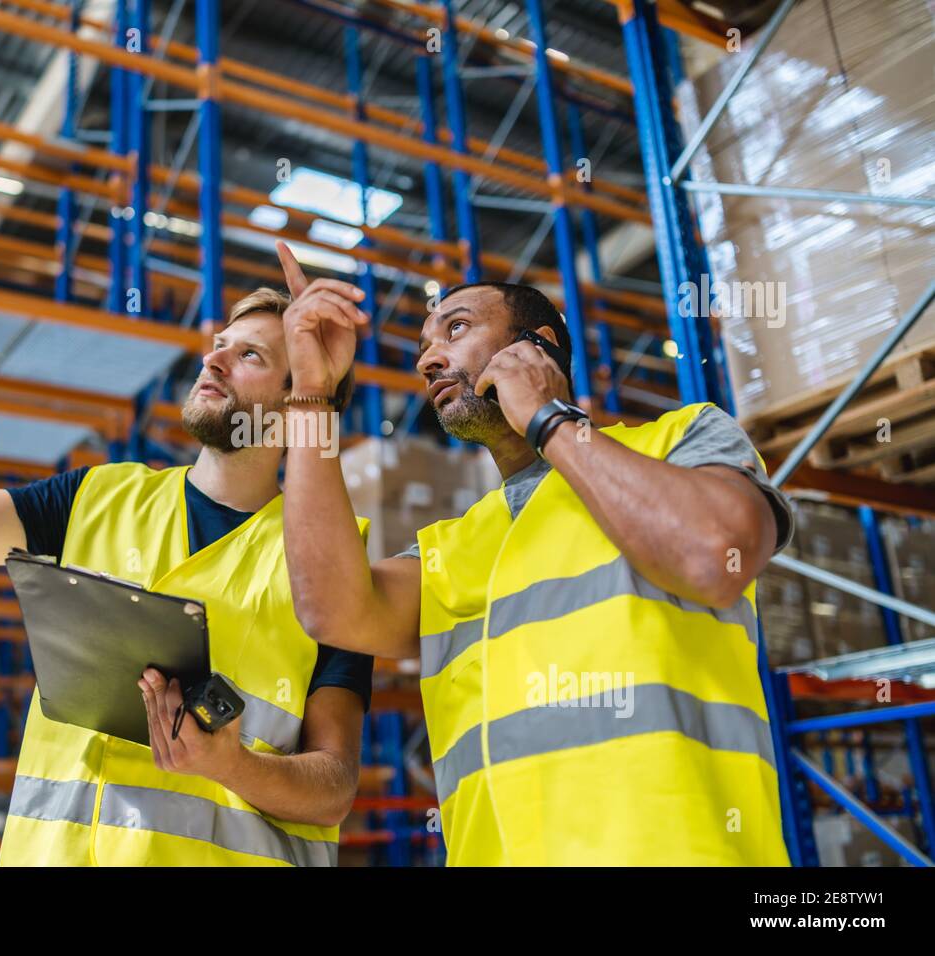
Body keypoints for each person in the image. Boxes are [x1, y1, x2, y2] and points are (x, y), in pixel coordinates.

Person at [0, 208, 374, 866]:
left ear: (298, 396)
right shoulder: (96, 498)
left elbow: (333, 789)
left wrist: (232, 765)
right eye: (219, 341)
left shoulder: (329, 562)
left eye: (248, 355)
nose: (214, 357)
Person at [274, 240, 793, 866]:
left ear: (538, 344)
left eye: (456, 328)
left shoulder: (680, 440)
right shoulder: (453, 546)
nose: (431, 359)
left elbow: (715, 556)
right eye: (422, 352)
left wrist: (549, 418)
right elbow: (330, 609)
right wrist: (311, 394)